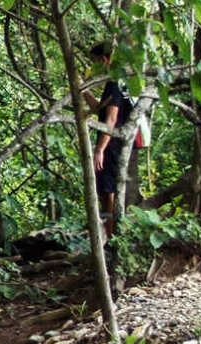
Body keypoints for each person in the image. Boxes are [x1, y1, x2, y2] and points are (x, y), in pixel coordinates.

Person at [91, 42, 134, 241]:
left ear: (104, 60)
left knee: (108, 191)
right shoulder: (119, 81)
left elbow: (111, 117)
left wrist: (100, 148)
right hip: (115, 141)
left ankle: (112, 237)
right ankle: (111, 234)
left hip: (112, 143)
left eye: (95, 62)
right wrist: (81, 91)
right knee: (107, 189)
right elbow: (101, 109)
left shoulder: (115, 82)